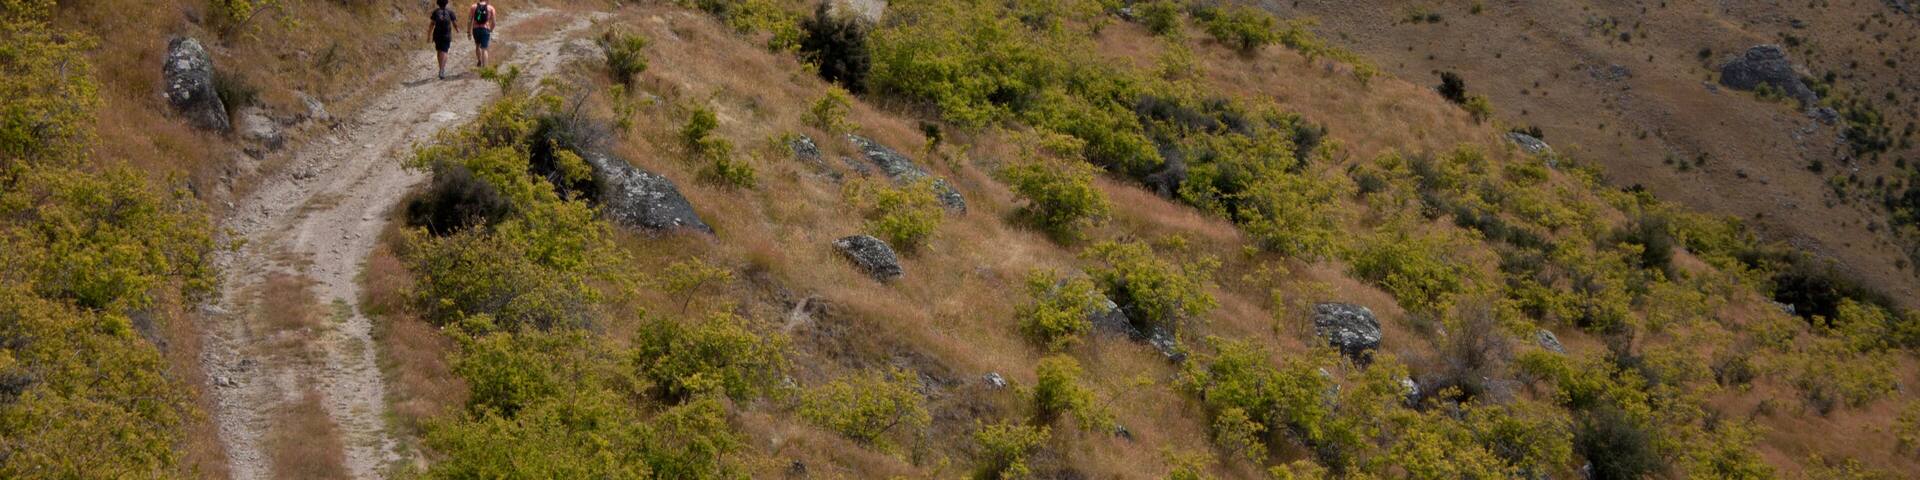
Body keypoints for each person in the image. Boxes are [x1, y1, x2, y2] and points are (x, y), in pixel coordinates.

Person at [428, 0, 460, 80]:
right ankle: (442, 69)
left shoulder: (435, 12)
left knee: (439, 51)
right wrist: (457, 29)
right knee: (445, 51)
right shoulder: (450, 11)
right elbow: (454, 23)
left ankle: (441, 68)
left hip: (437, 34)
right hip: (446, 34)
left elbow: (432, 24)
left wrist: (429, 35)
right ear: (447, 3)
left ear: (438, 3)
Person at [470, 0, 497, 69]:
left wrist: (468, 31)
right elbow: (494, 22)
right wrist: (490, 30)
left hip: (475, 29)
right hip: (485, 29)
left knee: (477, 46)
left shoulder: (473, 7)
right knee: (484, 49)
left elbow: (470, 20)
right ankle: (485, 67)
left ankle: (479, 60)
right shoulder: (491, 8)